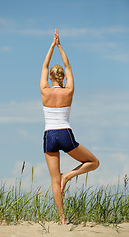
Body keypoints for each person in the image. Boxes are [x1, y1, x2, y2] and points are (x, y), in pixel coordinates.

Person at [40, 29, 99, 225]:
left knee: (54, 180)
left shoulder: (44, 90)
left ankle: (63, 220)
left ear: (50, 78)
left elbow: (45, 64)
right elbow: (68, 65)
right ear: (63, 78)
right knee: (94, 162)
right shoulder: (69, 90)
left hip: (49, 136)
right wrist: (60, 46)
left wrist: (51, 45)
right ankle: (70, 176)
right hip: (65, 134)